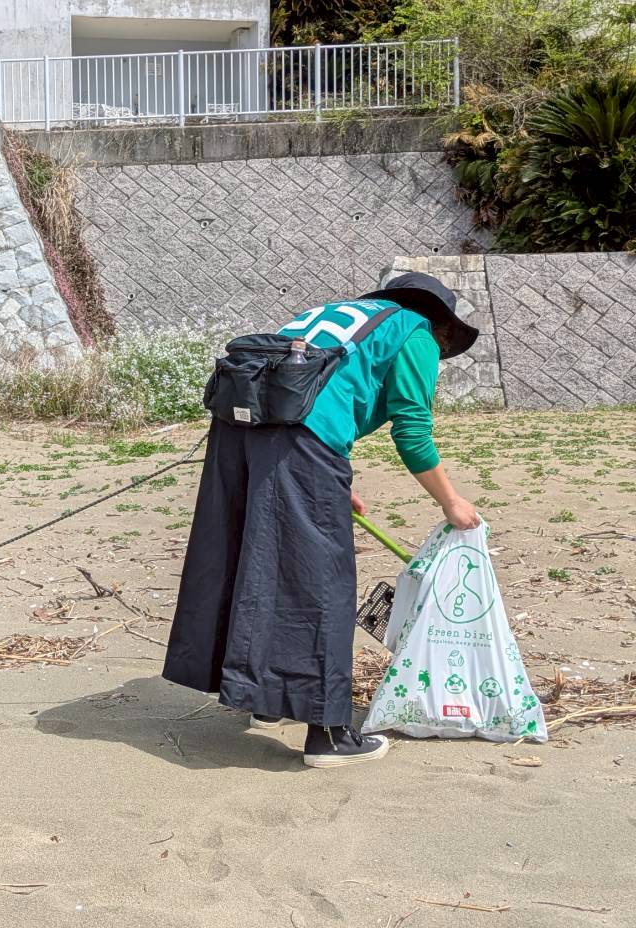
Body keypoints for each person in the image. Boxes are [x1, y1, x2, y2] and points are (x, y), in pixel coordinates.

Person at [163, 272, 482, 768]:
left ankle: (265, 698)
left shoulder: (336, 316)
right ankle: (329, 735)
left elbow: (307, 391)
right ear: (441, 324)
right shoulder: (415, 333)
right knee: (319, 579)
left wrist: (331, 478)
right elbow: (413, 431)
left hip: (239, 433)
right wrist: (451, 502)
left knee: (254, 559)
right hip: (293, 439)